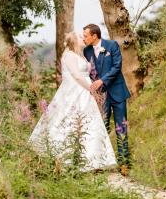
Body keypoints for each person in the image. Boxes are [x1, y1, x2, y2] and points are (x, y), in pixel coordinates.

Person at [28, 32, 117, 172]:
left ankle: (94, 161)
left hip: (84, 91)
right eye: (80, 37)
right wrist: (91, 88)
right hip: (75, 91)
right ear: (74, 41)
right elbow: (76, 75)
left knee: (90, 122)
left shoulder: (81, 54)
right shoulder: (69, 55)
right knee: (68, 120)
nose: (84, 38)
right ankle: (65, 159)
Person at [83, 24, 131, 173]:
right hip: (100, 97)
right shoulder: (86, 51)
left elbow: (117, 67)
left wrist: (102, 80)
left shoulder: (111, 45)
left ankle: (124, 164)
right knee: (101, 128)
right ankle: (101, 163)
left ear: (94, 36)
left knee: (121, 127)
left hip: (117, 93)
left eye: (85, 36)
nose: (83, 38)